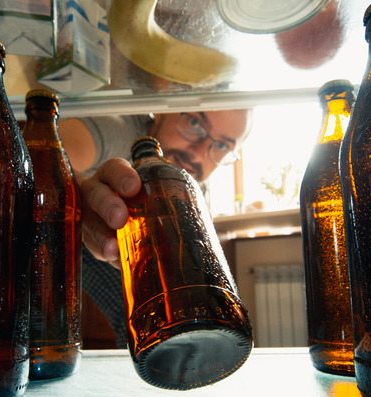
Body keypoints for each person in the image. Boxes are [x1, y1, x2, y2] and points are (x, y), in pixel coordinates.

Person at [59, 110, 252, 347]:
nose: (199, 153)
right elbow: (43, 160)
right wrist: (82, 196)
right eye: (194, 123)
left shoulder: (188, 184)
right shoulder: (121, 127)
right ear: (161, 112)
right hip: (72, 241)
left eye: (222, 145)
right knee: (139, 305)